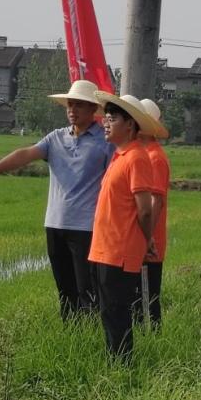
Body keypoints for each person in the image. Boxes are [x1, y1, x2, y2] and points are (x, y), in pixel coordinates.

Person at [0, 79, 112, 320]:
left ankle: (90, 333)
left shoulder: (105, 142)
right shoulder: (56, 138)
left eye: (79, 105)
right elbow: (25, 154)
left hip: (86, 227)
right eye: (70, 105)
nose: (72, 110)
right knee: (65, 289)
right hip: (55, 224)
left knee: (87, 289)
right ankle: (70, 331)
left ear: (92, 109)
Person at [88, 92, 157, 359]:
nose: (105, 123)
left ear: (130, 125)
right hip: (105, 249)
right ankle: (116, 363)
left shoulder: (137, 157)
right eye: (105, 117)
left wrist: (146, 239)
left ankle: (122, 367)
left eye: (112, 118)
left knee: (117, 313)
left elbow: (145, 209)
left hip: (119, 251)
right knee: (108, 312)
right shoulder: (120, 156)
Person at [134, 98, 171, 328]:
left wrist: (147, 237)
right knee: (137, 296)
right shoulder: (141, 153)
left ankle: (151, 338)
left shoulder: (155, 157)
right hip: (141, 238)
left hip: (150, 241)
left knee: (148, 298)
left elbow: (156, 201)